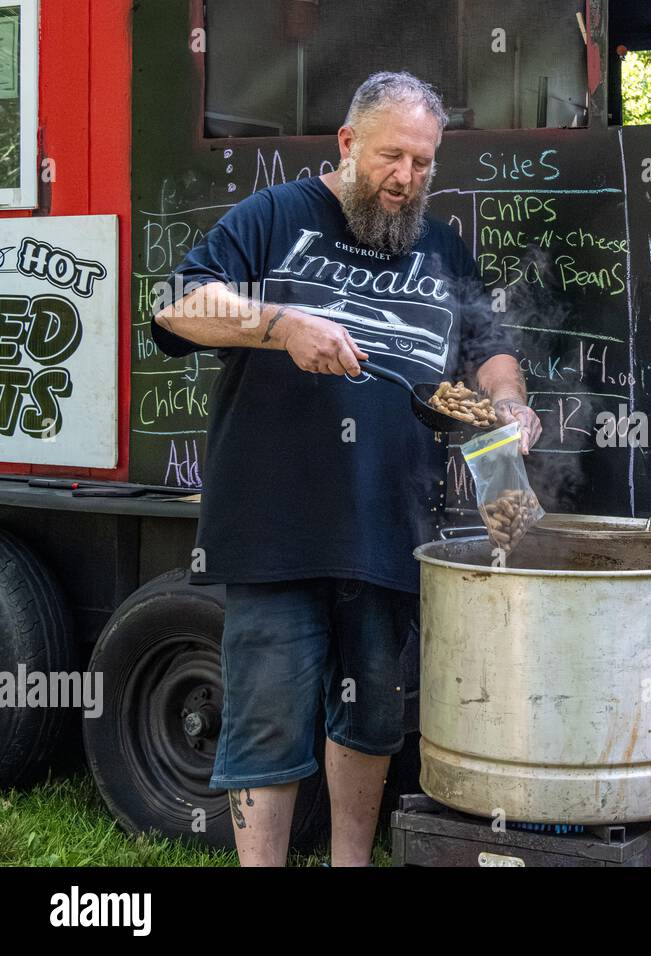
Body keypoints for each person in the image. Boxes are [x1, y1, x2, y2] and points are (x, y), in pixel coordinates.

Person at [151, 71, 542, 866]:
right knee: (266, 722)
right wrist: (280, 324)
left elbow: (487, 349)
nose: (406, 179)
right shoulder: (276, 216)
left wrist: (508, 403)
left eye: (424, 163)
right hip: (273, 526)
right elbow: (177, 303)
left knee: (368, 722)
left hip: (393, 527)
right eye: (392, 157)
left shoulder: (437, 244)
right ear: (347, 144)